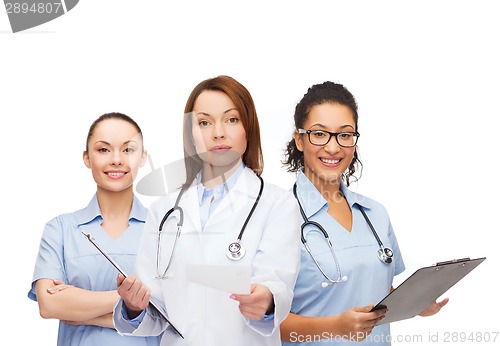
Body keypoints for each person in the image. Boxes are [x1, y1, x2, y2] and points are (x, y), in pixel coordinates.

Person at [112, 75, 301, 345]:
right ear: (192, 134)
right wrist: (133, 306)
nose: (218, 133)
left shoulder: (277, 204)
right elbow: (156, 312)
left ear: (249, 126)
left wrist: (266, 302)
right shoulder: (164, 210)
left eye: (231, 119)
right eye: (204, 122)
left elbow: (277, 286)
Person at [280, 81, 448, 345]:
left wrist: (417, 303)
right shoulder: (277, 216)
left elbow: (376, 290)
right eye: (320, 134)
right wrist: (334, 327)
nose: (333, 148)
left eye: (345, 135)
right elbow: (263, 320)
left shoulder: (375, 214)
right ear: (299, 140)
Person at [28, 112, 160, 346]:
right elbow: (49, 305)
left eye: (128, 149)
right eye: (103, 150)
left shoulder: (163, 230)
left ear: (142, 157)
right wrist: (130, 300)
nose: (116, 160)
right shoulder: (60, 229)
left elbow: (171, 311)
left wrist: (80, 308)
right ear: (87, 158)